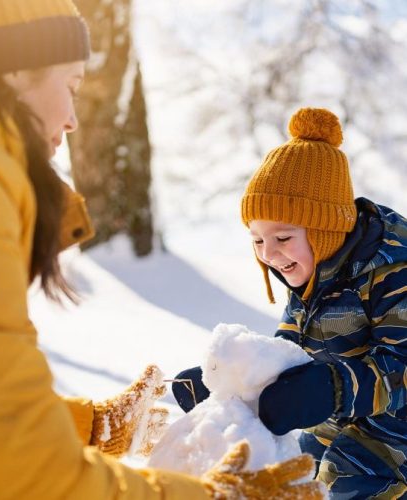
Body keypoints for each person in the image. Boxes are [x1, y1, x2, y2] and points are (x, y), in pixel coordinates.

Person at [0, 1, 326, 498]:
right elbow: (25, 478)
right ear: (14, 68)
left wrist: (91, 425)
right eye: (71, 87)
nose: (71, 121)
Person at [172, 107, 407, 498]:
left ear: (325, 229)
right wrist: (234, 386)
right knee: (289, 476)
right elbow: (288, 352)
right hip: (346, 420)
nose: (270, 254)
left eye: (282, 239)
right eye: (258, 241)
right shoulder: (314, 266)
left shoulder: (394, 266)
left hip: (397, 426)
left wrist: (331, 389)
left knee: (345, 482)